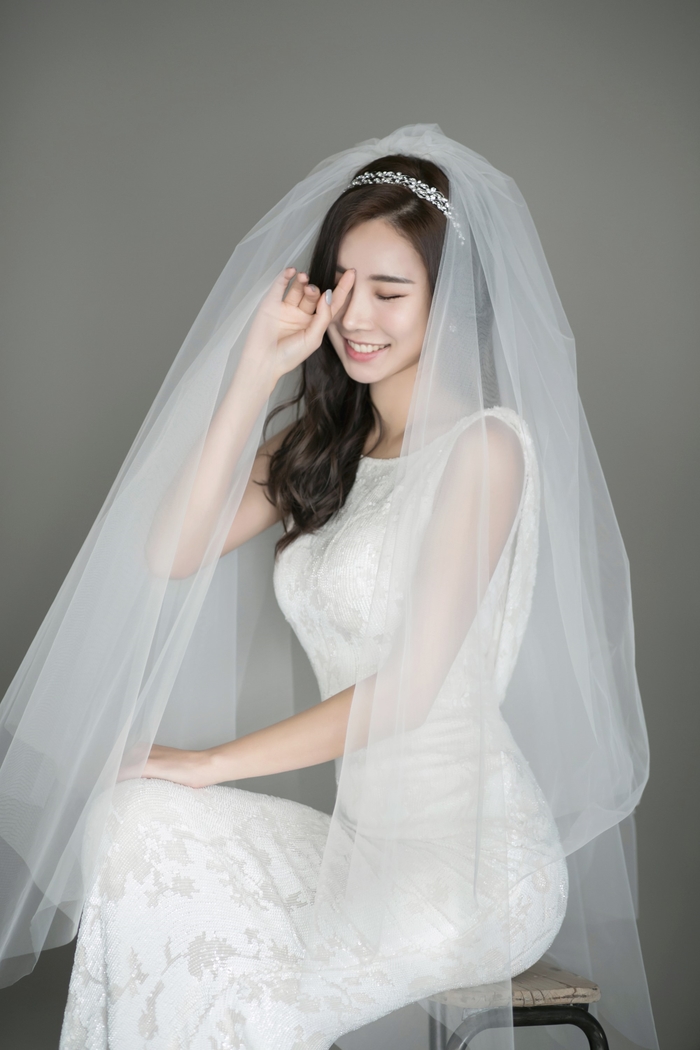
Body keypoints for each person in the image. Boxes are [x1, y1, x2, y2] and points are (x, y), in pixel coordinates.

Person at [0, 126, 657, 1050]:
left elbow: (410, 691)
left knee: (247, 995)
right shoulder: (325, 445)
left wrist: (208, 764)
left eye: (390, 290)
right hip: (360, 844)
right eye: (341, 284)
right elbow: (173, 548)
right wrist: (255, 369)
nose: (355, 315)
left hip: (472, 868)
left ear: (448, 303)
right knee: (129, 820)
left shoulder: (484, 450)